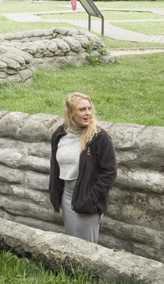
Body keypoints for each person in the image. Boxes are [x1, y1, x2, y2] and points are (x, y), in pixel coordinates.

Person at [49, 92, 117, 244]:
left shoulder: (99, 137)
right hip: (67, 195)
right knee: (72, 242)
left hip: (87, 198)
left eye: (89, 108)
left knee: (87, 245)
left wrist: (91, 196)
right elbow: (55, 165)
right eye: (82, 109)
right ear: (70, 112)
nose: (88, 113)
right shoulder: (59, 134)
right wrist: (56, 193)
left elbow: (110, 171)